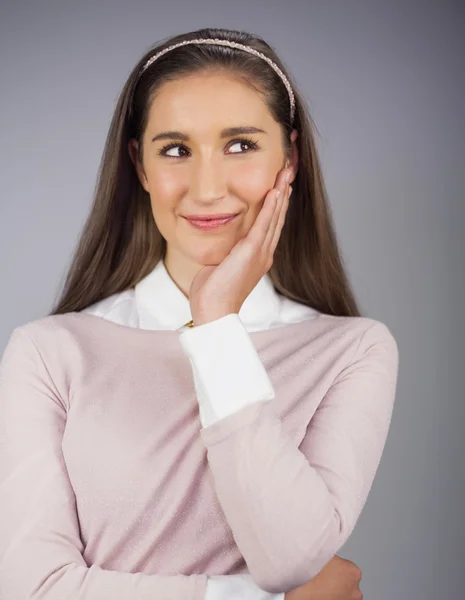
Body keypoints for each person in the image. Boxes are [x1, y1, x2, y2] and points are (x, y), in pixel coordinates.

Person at [0, 26, 399, 600]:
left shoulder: (353, 349)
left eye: (241, 145)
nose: (207, 188)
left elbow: (289, 555)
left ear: (291, 158)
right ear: (141, 166)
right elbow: (32, 589)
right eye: (177, 150)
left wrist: (216, 325)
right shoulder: (49, 353)